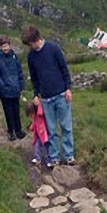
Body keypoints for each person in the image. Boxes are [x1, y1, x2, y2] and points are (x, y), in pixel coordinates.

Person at [21, 26, 74, 167]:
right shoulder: (31, 56)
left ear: (36, 39)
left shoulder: (53, 48)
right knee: (51, 130)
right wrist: (36, 95)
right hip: (45, 98)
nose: (29, 47)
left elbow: (64, 69)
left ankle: (69, 156)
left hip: (61, 94)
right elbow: (34, 77)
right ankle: (55, 157)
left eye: (30, 44)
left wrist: (68, 88)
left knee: (66, 127)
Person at [0, 35, 26, 141]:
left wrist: (21, 85)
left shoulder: (14, 57)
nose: (5, 48)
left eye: (6, 46)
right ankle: (11, 131)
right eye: (3, 46)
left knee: (16, 110)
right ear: (1, 47)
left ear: (10, 46)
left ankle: (19, 130)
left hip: (15, 89)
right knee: (8, 111)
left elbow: (19, 72)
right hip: (4, 90)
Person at [26, 100, 49, 165]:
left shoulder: (40, 115)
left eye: (31, 114)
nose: (31, 116)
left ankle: (48, 160)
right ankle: (37, 158)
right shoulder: (35, 118)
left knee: (45, 148)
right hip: (38, 135)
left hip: (44, 135)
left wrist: (38, 105)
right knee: (36, 147)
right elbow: (34, 124)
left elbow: (41, 111)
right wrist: (31, 128)